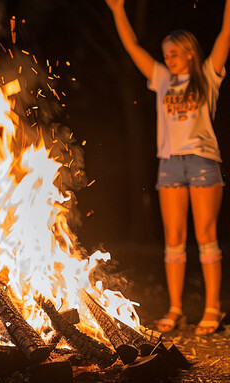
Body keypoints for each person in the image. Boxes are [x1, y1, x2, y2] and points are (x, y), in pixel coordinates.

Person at [105, 0, 230, 335]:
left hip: (203, 160)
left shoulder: (207, 76)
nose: (169, 58)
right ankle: (175, 309)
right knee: (173, 240)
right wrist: (118, 10)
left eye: (174, 52)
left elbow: (225, 34)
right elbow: (132, 46)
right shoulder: (161, 79)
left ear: (190, 52)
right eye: (166, 53)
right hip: (170, 164)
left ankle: (213, 309)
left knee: (206, 237)